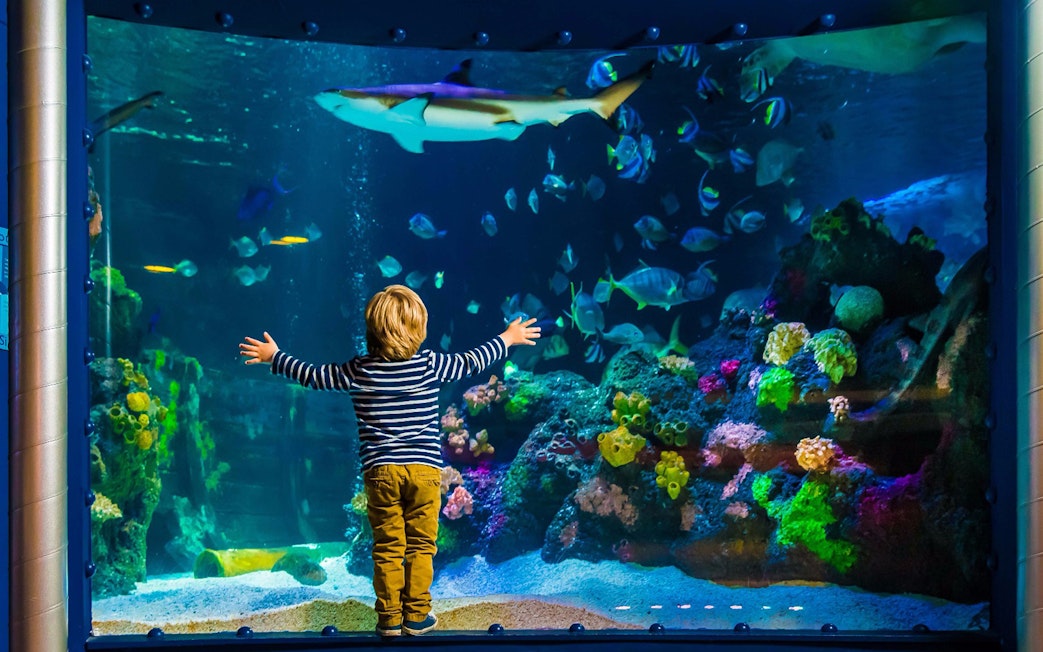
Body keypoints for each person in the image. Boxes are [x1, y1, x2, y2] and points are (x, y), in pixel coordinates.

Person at [239, 284, 540, 637]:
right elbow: (473, 359)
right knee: (421, 545)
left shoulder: (358, 369)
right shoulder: (431, 365)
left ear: (372, 330)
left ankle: (389, 619)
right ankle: (416, 615)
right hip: (424, 472)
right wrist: (508, 337)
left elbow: (314, 376)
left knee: (387, 547)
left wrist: (275, 357)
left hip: (381, 472)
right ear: (419, 329)